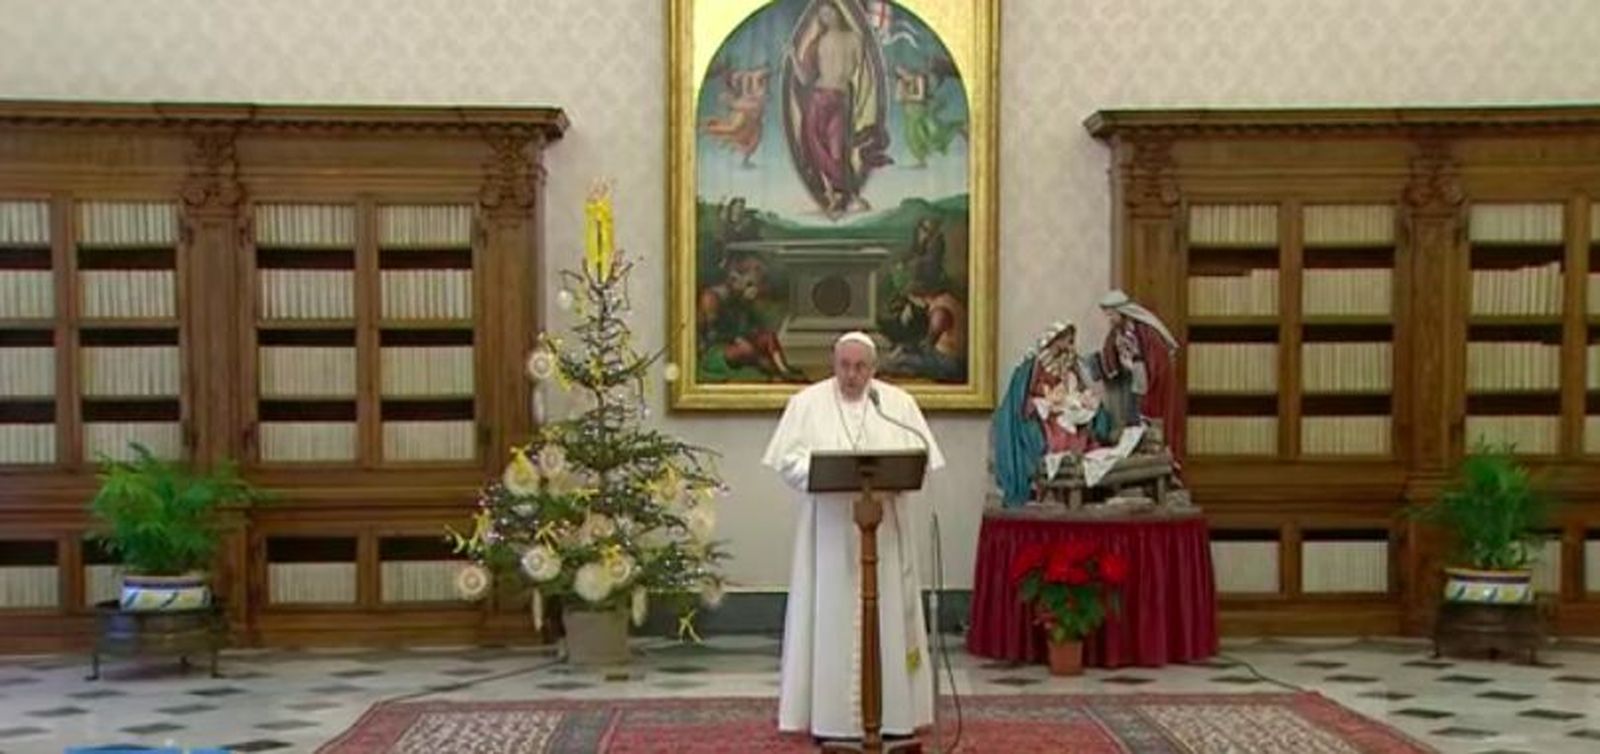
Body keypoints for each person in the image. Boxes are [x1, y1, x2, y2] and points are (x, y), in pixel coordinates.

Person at [762, 331, 943, 744]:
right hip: (829, 532)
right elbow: (787, 461)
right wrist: (826, 473)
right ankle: (831, 720)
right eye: (844, 365)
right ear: (834, 363)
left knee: (890, 620)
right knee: (830, 617)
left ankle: (894, 716)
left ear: (874, 368)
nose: (851, 375)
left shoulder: (896, 405)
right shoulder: (806, 404)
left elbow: (922, 457)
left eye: (860, 367)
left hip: (887, 531)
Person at [788, 0, 891, 218]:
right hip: (817, 97)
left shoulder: (855, 38)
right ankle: (832, 196)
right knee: (816, 149)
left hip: (840, 99)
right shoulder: (818, 41)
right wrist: (794, 59)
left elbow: (863, 73)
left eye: (830, 13)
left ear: (839, 13)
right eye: (823, 16)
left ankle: (848, 194)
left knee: (836, 150)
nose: (827, 18)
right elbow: (805, 78)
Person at [992, 322, 1107, 506]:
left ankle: (1074, 467)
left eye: (1071, 340)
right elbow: (1029, 390)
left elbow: (1077, 383)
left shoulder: (1068, 360)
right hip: (1044, 404)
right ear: (1056, 339)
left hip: (1063, 403)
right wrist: (1047, 397)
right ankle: (1053, 480)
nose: (1070, 344)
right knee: (1058, 430)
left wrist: (1076, 396)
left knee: (1080, 421)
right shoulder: (1038, 361)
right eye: (1067, 340)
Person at [1091, 289, 1184, 463]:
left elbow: (1157, 360)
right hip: (1134, 380)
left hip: (1149, 380)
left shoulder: (1145, 331)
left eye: (1111, 315)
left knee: (1149, 416)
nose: (1109, 319)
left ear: (1122, 312)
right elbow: (1109, 353)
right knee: (1134, 415)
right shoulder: (1118, 331)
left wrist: (1140, 369)